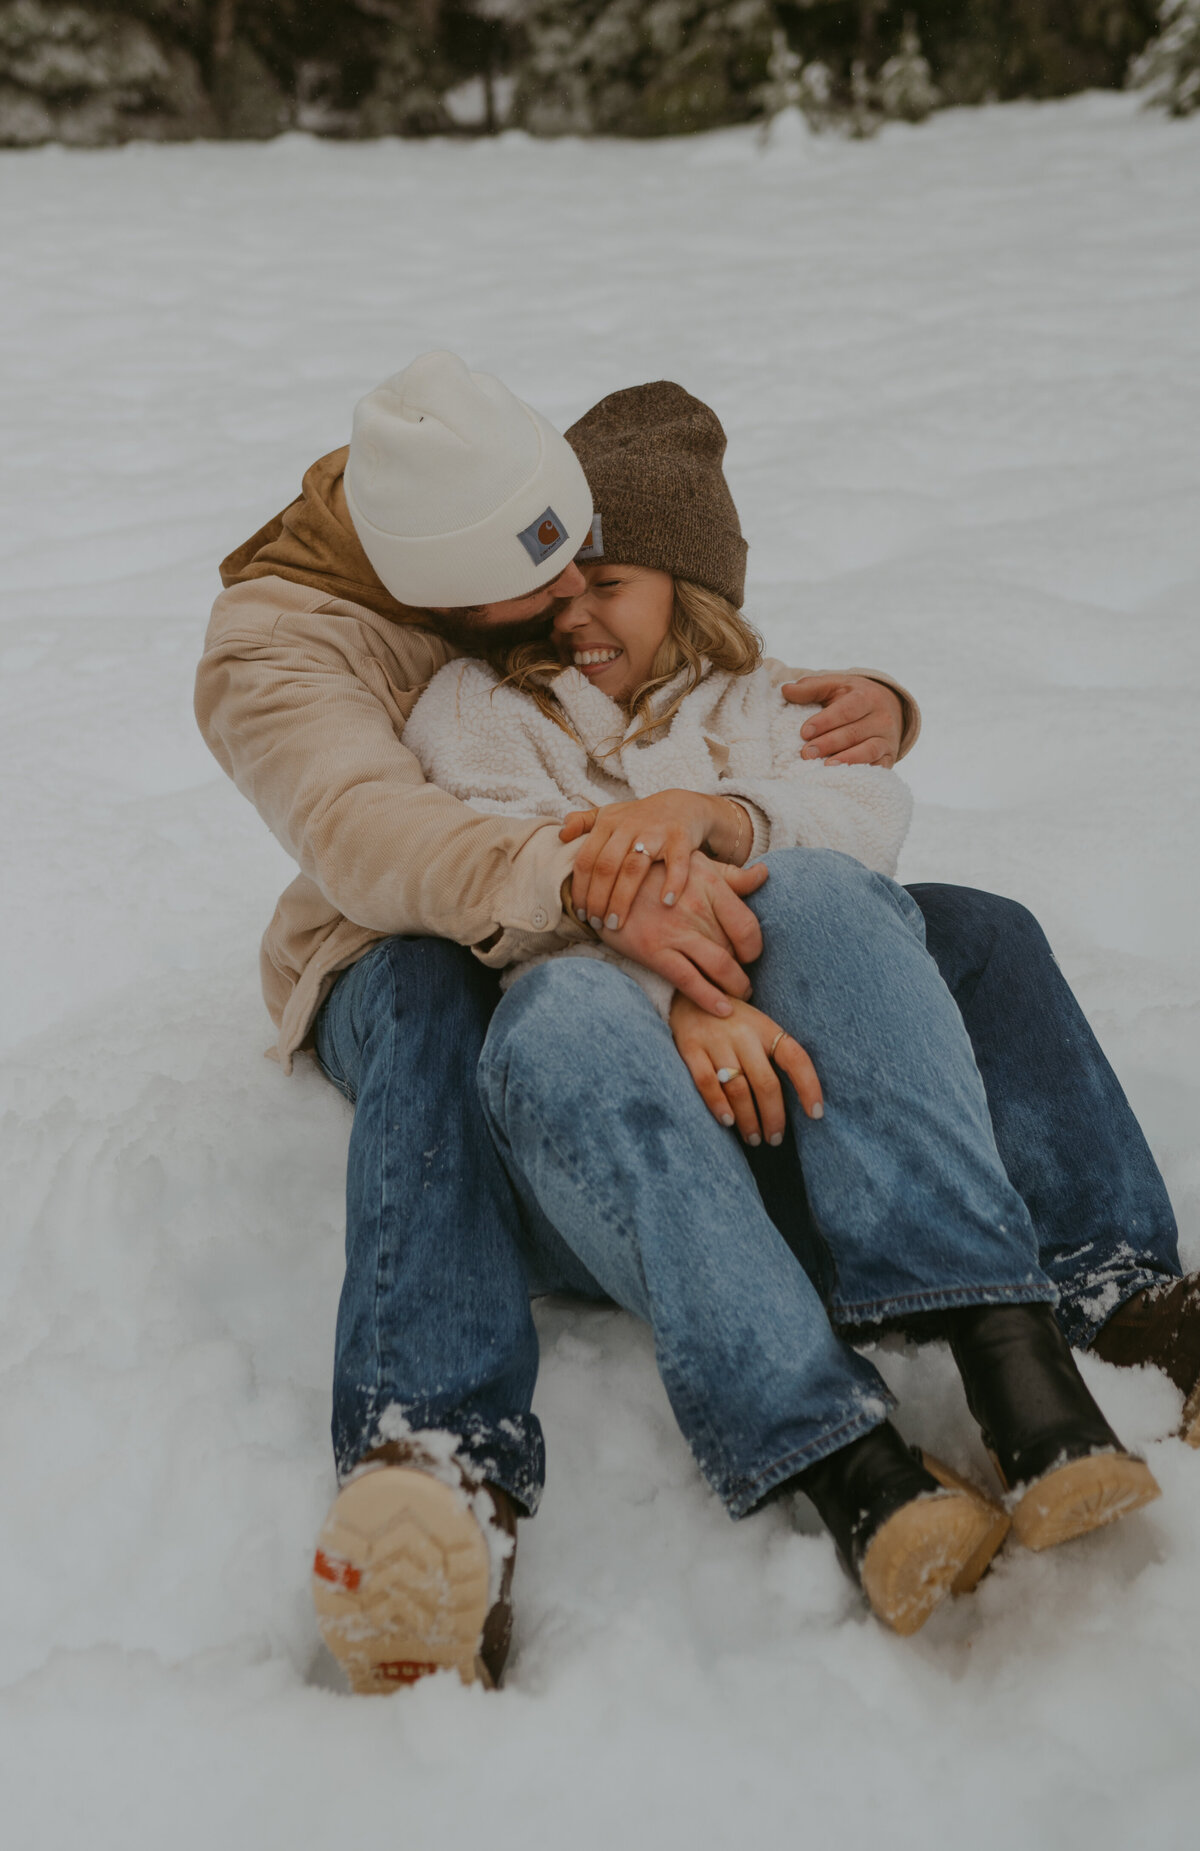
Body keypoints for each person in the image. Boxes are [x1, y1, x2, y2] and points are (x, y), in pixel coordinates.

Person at [193, 352, 1190, 1693]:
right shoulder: (293, 652)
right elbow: (388, 842)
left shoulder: (489, 492)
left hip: (643, 899)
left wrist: (853, 718)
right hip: (421, 929)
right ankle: (435, 1456)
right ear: (441, 589)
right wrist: (667, 967)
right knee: (438, 1003)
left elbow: (707, 652)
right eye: (546, 586)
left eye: (590, 570)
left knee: (971, 930)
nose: (566, 602)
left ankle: (1110, 1285)